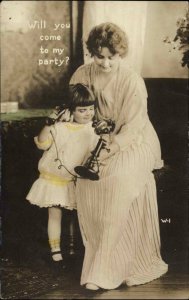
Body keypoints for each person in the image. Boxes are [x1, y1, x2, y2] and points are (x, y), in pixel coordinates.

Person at [70, 22, 168, 290]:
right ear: (92, 53)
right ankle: (96, 262)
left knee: (117, 180)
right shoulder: (81, 74)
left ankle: (104, 271)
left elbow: (134, 126)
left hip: (134, 142)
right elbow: (77, 112)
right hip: (98, 141)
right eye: (98, 56)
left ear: (119, 55)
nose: (104, 63)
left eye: (110, 57)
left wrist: (112, 146)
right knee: (87, 181)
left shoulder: (132, 80)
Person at [26, 83, 98, 263]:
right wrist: (49, 123)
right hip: (55, 179)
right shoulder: (59, 127)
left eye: (91, 108)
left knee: (76, 214)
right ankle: (55, 249)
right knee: (55, 214)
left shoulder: (93, 130)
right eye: (82, 110)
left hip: (76, 180)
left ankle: (75, 248)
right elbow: (42, 143)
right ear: (71, 111)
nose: (88, 113)